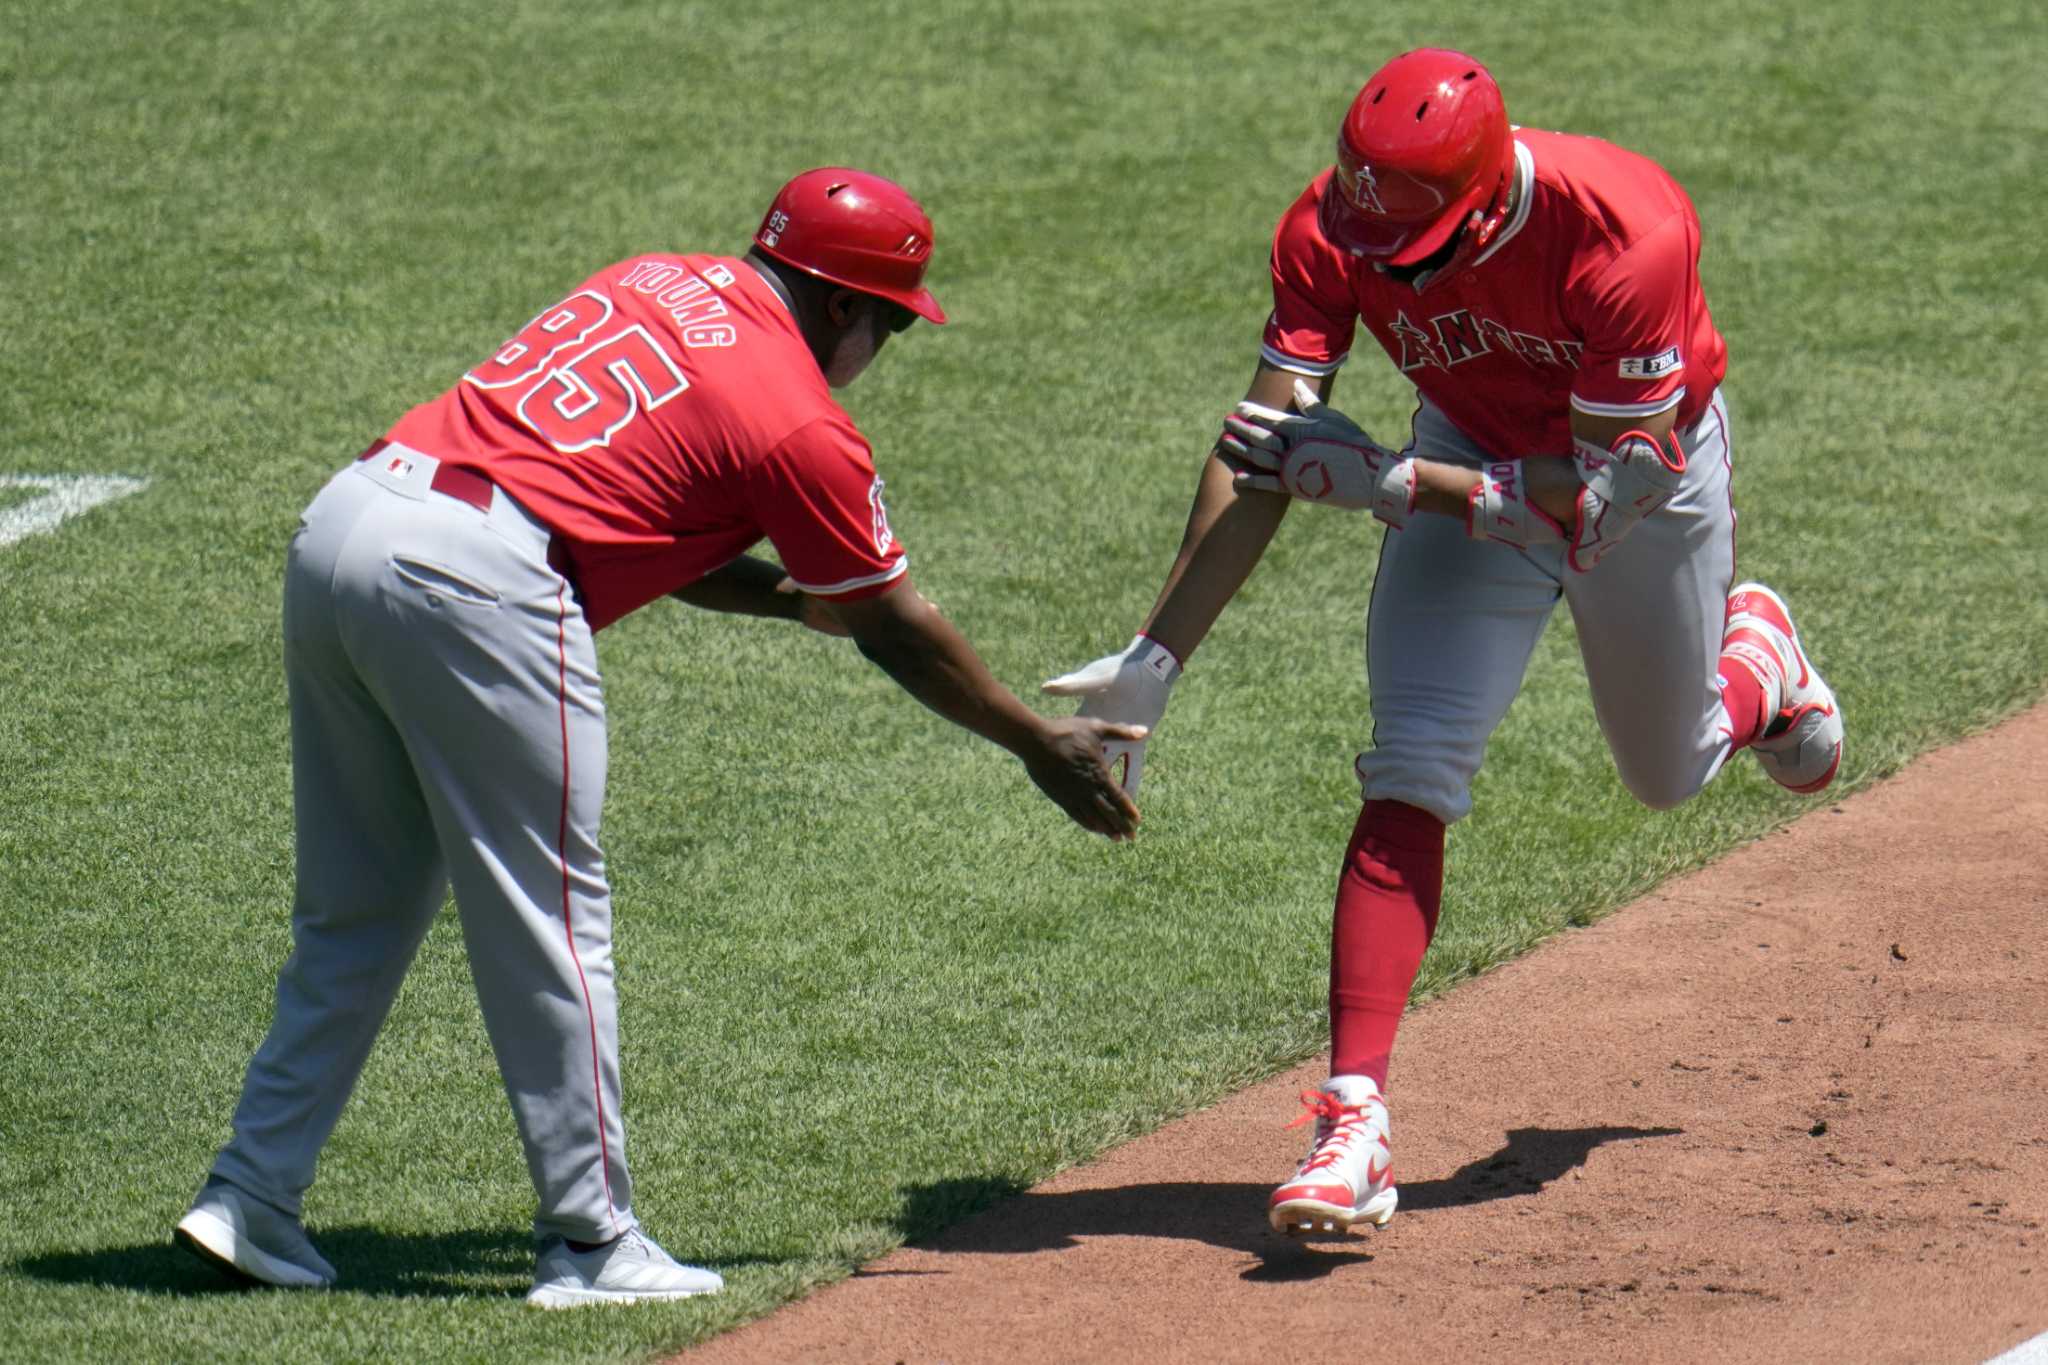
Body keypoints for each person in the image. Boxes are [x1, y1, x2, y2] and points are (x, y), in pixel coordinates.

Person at [175, 167, 1145, 1306]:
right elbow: (894, 626)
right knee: (552, 917)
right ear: (841, 305)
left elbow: (635, 508)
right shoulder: (799, 419)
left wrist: (787, 600)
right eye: (889, 318)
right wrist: (1036, 739)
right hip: (478, 586)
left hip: (347, 529)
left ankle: (250, 1195)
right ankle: (590, 1244)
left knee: (360, 908)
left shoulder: (654, 280)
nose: (886, 341)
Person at [1044, 49, 1843, 1238]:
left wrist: (1390, 482)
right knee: (1411, 764)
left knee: (1664, 774)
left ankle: (1756, 664)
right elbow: (1264, 441)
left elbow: (1592, 503)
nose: (1375, 274)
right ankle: (1349, 1127)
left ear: (1477, 208)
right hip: (1463, 457)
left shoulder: (1625, 231)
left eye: (1403, 258)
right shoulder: (1338, 223)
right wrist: (1150, 667)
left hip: (1638, 493)